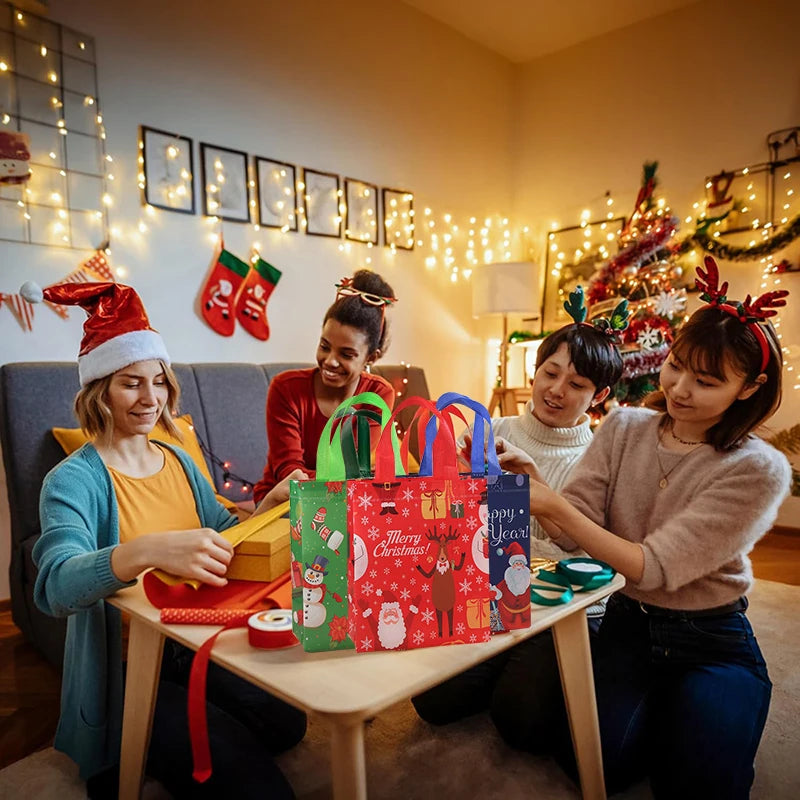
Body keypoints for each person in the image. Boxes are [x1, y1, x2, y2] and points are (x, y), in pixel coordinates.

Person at [495, 257, 791, 798]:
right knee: (590, 760)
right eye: (676, 365)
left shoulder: (758, 469)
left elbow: (654, 567)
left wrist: (554, 509)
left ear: (750, 388)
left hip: (711, 639)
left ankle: (705, 709)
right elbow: (572, 531)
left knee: (698, 781)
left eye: (706, 381)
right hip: (628, 624)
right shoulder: (626, 428)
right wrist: (542, 492)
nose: (678, 388)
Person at [27, 281, 306, 799]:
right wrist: (147, 550)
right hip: (132, 668)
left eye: (158, 381)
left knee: (289, 725)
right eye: (131, 383)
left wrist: (268, 507)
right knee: (262, 792)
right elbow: (56, 586)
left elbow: (224, 537)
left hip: (198, 640)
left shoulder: (176, 458)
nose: (151, 398)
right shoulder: (71, 481)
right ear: (99, 391)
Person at [412, 302, 624, 728]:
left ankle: (531, 670)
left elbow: (581, 550)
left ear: (599, 396)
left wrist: (531, 475)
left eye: (577, 383)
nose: (557, 390)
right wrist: (457, 480)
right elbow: (460, 525)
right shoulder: (494, 429)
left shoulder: (600, 455)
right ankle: (506, 663)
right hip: (492, 593)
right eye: (550, 372)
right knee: (433, 703)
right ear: (535, 370)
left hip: (561, 607)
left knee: (520, 720)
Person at [253, 269, 397, 504]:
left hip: (341, 501)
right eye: (324, 346)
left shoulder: (378, 395)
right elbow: (289, 473)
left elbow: (352, 472)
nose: (330, 360)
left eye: (347, 354)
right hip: (284, 503)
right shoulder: (285, 389)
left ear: (371, 357)